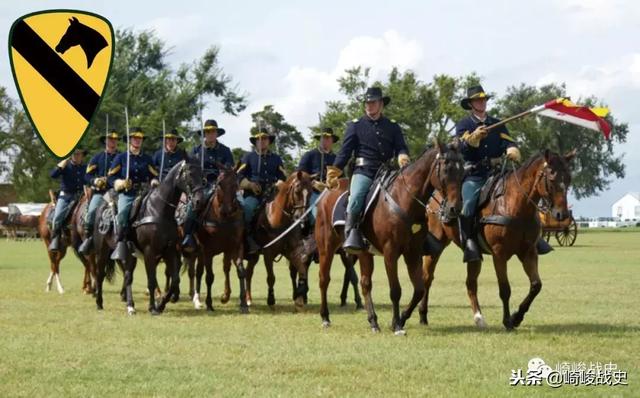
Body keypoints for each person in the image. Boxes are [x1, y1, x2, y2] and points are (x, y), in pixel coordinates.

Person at [455, 84, 552, 263]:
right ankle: (469, 242)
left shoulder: (496, 123)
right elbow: (461, 148)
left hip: (498, 172)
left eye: (484, 99)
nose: (482, 102)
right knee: (468, 204)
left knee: (523, 194)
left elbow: (509, 142)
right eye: (478, 99)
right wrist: (473, 138)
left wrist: (512, 149)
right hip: (475, 175)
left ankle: (534, 237)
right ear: (471, 104)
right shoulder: (464, 124)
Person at [326, 87, 409, 254]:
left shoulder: (393, 127)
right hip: (364, 171)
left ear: (381, 104)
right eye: (367, 102)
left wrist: (402, 156)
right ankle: (351, 234)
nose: (369, 105)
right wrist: (334, 170)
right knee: (356, 196)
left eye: (373, 102)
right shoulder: (355, 126)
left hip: (388, 171)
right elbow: (345, 152)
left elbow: (401, 147)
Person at [181, 119, 234, 250]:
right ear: (204, 134)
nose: (210, 134)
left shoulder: (225, 151)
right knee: (192, 206)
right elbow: (189, 170)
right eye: (208, 132)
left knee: (240, 205)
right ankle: (188, 236)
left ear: (217, 134)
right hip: (202, 186)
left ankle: (241, 236)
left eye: (213, 132)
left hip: (221, 186)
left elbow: (229, 169)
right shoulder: (196, 150)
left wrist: (223, 175)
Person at [107, 127, 159, 261]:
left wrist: (154, 181)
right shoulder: (121, 157)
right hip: (128, 193)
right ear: (130, 140)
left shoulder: (147, 158)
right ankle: (121, 242)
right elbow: (111, 177)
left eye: (140, 138)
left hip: (145, 192)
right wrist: (120, 183)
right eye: (135, 138)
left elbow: (155, 175)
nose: (137, 140)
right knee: (123, 213)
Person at [237, 128, 287, 253]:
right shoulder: (248, 157)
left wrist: (279, 183)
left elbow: (283, 175)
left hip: (272, 194)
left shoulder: (276, 158)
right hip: (253, 194)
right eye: (259, 139)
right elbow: (239, 175)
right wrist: (249, 185)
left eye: (265, 139)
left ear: (269, 141)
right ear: (255, 142)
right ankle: (246, 241)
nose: (262, 141)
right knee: (247, 211)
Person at [78, 130, 119, 254]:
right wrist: (95, 181)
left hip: (117, 193)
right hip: (101, 193)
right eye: (110, 139)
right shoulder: (97, 157)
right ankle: (89, 239)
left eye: (115, 139)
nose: (113, 141)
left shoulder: (122, 156)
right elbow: (87, 176)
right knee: (90, 213)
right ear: (105, 141)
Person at [297, 127, 339, 225]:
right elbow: (300, 174)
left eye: (328, 138)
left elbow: (342, 178)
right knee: (317, 215)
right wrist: (313, 183)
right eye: (323, 138)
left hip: (332, 193)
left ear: (332, 141)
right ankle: (308, 234)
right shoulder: (309, 155)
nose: (325, 140)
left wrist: (333, 183)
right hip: (313, 192)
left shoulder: (336, 158)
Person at [49, 147, 88, 251]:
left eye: (79, 154)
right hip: (66, 196)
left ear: (82, 155)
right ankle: (55, 238)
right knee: (57, 217)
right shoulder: (65, 166)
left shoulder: (86, 167)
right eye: (74, 154)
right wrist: (62, 163)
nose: (76, 156)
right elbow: (53, 175)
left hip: (82, 196)